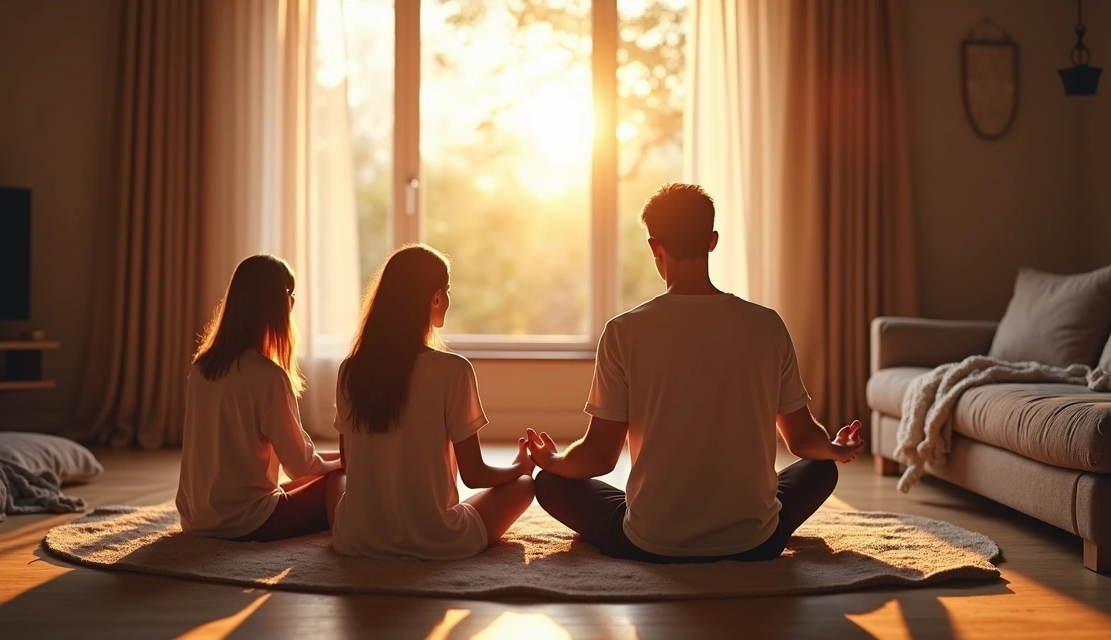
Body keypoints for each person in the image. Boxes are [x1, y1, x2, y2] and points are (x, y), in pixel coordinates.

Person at [527, 183, 865, 563]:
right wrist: (835, 448)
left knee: (551, 484)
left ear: (656, 247)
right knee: (821, 470)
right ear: (712, 241)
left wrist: (552, 462)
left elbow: (600, 457)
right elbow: (803, 441)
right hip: (756, 544)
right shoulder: (767, 326)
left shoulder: (624, 331)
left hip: (650, 545)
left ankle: (656, 513)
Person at [331, 244, 535, 560]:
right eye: (447, 290)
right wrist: (519, 466)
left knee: (336, 482)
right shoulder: (453, 370)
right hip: (437, 540)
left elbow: (347, 465)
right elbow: (474, 474)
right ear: (436, 297)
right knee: (523, 486)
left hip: (355, 540)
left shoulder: (350, 370)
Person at [176, 254, 344, 542]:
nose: (293, 304)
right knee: (339, 481)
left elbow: (299, 462)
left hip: (196, 519)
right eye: (290, 295)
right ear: (278, 304)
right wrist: (346, 463)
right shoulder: (269, 377)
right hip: (247, 522)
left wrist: (340, 458)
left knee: (331, 473)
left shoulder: (203, 368)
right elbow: (299, 467)